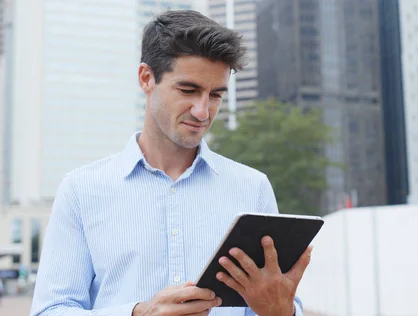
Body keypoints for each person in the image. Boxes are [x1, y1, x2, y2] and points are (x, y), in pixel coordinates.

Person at [30, 10, 311, 316]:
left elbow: (277, 306)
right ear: (146, 78)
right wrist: (140, 314)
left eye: (215, 95)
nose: (203, 111)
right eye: (188, 90)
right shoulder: (81, 190)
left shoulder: (252, 188)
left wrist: (282, 312)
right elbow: (50, 311)